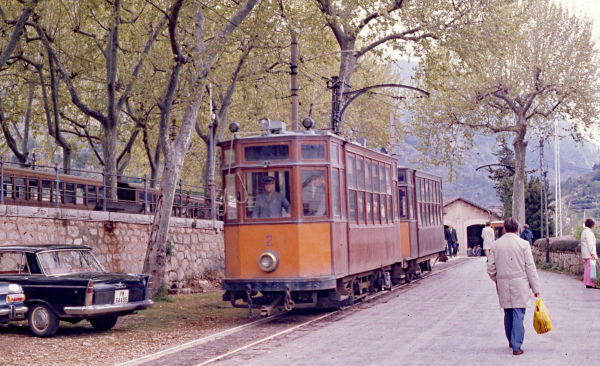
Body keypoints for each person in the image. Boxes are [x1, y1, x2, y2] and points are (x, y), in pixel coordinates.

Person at [487, 217, 541, 356]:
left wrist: (498, 279)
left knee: (508, 313)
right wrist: (535, 288)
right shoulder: (523, 244)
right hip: (520, 283)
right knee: (518, 313)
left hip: (503, 283)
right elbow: (530, 267)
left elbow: (491, 269)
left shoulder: (495, 245)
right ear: (518, 229)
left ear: (504, 228)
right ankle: (517, 346)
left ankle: (511, 341)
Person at [581, 218, 598, 288]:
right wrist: (593, 253)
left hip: (586, 253)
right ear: (592, 225)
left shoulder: (584, 231)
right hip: (589, 253)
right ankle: (590, 283)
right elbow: (590, 243)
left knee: (587, 268)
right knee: (590, 269)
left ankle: (587, 282)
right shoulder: (588, 232)